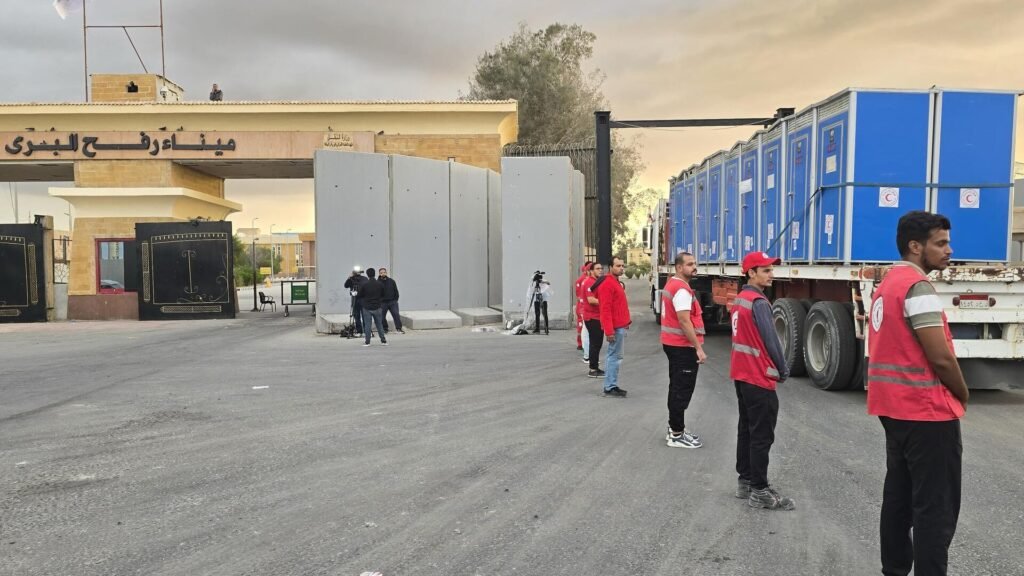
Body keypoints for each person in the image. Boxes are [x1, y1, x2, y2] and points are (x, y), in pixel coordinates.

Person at [867, 211, 968, 576]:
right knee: (935, 509)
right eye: (940, 243)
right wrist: (962, 393)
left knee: (898, 499)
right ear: (915, 246)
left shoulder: (887, 284)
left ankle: (894, 570)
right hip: (927, 412)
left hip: (892, 409)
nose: (949, 250)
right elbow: (940, 357)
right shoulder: (917, 287)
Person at [730, 251, 793, 510]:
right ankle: (759, 490)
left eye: (771, 269)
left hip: (741, 374)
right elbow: (772, 341)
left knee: (746, 429)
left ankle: (745, 481)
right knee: (761, 435)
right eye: (765, 270)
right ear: (751, 272)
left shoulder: (740, 299)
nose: (771, 274)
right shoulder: (759, 302)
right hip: (758, 376)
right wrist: (783, 369)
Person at [662, 252, 707, 449]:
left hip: (673, 344)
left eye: (694, 263)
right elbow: (684, 321)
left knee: (676, 387)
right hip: (682, 346)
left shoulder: (673, 284)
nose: (694, 267)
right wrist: (698, 348)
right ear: (679, 268)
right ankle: (676, 434)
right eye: (689, 264)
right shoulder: (681, 289)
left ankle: (675, 428)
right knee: (681, 390)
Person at [596, 257, 629, 398]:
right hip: (615, 328)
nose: (621, 268)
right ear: (610, 267)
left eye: (622, 266)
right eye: (618, 266)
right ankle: (610, 386)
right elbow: (605, 309)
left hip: (620, 326)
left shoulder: (615, 282)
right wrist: (609, 331)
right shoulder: (607, 284)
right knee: (614, 357)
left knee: (616, 356)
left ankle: (611, 385)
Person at [582, 263, 604, 378]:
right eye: (597, 269)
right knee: (595, 343)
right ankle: (593, 369)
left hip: (597, 317)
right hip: (592, 317)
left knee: (597, 343)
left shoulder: (596, 282)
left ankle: (595, 367)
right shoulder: (589, 282)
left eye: (601, 268)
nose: (600, 270)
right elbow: (591, 300)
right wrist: (606, 302)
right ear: (591, 271)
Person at [356, 268, 387, 346]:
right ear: (375, 274)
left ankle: (367, 342)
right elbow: (383, 294)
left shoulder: (364, 284)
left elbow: (359, 295)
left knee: (367, 325)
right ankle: (383, 341)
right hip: (377, 307)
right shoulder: (380, 284)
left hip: (367, 307)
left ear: (367, 275)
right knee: (379, 324)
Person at [378, 267, 404, 334]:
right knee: (382, 317)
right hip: (383, 303)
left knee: (396, 315)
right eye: (381, 273)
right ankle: (385, 329)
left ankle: (399, 328)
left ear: (386, 273)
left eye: (384, 272)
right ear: (379, 274)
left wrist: (395, 300)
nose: (383, 274)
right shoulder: (377, 282)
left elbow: (396, 291)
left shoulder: (391, 281)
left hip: (392, 302)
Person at [574, 262, 593, 352]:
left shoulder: (590, 280)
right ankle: (581, 344)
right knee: (582, 326)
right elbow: (579, 296)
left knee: (583, 326)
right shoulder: (583, 280)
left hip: (584, 306)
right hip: (582, 307)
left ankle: (583, 344)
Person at [344, 266, 367, 335]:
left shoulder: (364, 278)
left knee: (365, 316)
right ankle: (359, 331)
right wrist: (349, 277)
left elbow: (368, 287)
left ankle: (366, 331)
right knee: (356, 316)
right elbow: (346, 285)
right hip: (355, 300)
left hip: (363, 299)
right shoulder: (351, 279)